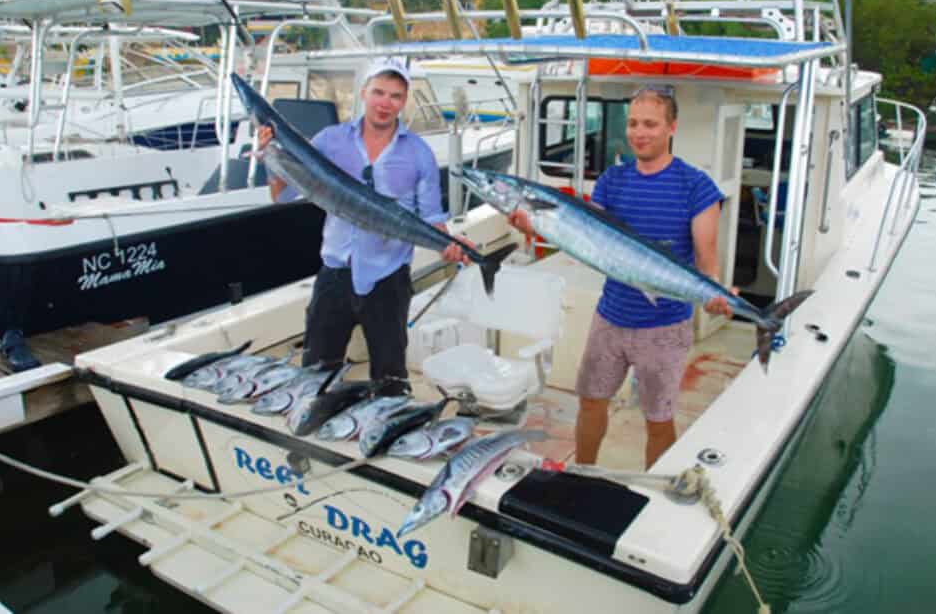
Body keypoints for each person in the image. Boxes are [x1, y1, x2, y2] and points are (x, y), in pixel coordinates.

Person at [508, 85, 734, 469]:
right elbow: (585, 238)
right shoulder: (613, 180)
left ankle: (651, 494)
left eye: (650, 124)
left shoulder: (696, 186)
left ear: (671, 128)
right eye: (632, 123)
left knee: (658, 420)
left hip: (664, 327)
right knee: (591, 403)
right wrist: (533, 228)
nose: (639, 132)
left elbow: (706, 261)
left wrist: (714, 292)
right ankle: (581, 473)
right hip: (610, 317)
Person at [259, 57, 468, 379]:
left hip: (389, 278)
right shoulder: (329, 140)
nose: (385, 103)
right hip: (334, 274)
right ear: (363, 94)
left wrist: (450, 244)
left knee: (390, 376)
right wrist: (269, 155)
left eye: (395, 96)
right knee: (315, 373)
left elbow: (431, 218)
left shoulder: (419, 153)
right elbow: (282, 195)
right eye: (379, 92)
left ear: (404, 101)